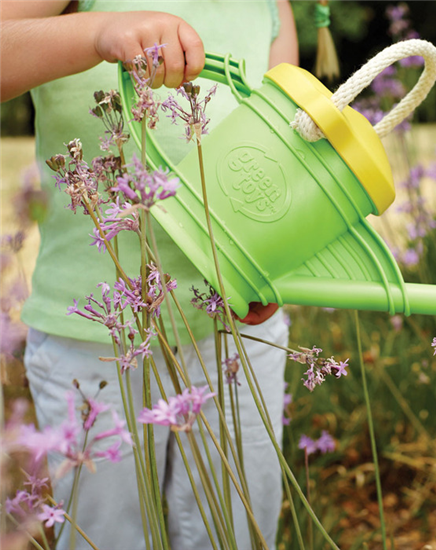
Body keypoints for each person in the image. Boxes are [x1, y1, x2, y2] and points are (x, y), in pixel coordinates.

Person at [1, 1, 298, 549]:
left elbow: (283, 148)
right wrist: (98, 32)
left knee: (236, 530)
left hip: (238, 331)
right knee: (105, 535)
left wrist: (275, 263)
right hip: (95, 338)